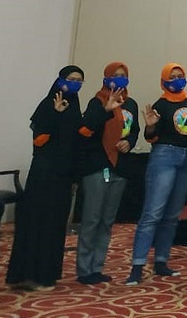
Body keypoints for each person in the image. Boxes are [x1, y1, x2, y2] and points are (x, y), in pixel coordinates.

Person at [6, 66, 85, 291]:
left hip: (64, 175)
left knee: (54, 225)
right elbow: (39, 140)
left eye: (79, 80)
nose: (75, 83)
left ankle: (44, 276)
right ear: (60, 80)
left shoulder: (75, 109)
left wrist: (75, 177)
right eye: (71, 79)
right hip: (44, 173)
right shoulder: (48, 105)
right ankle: (25, 275)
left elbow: (77, 144)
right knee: (35, 222)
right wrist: (55, 114)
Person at [127, 64, 187, 285]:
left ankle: (161, 260)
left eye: (180, 76)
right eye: (172, 76)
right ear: (164, 81)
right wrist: (150, 126)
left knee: (172, 214)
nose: (177, 79)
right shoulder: (160, 105)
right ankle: (137, 266)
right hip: (164, 157)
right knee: (153, 213)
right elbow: (151, 137)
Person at [75, 63, 138, 284]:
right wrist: (106, 111)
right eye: (115, 75)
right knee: (92, 219)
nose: (120, 79)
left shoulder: (130, 104)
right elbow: (86, 131)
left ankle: (97, 266)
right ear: (106, 78)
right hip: (97, 166)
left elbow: (134, 131)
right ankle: (84, 269)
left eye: (123, 76)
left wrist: (129, 142)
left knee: (107, 220)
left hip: (120, 167)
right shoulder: (97, 102)